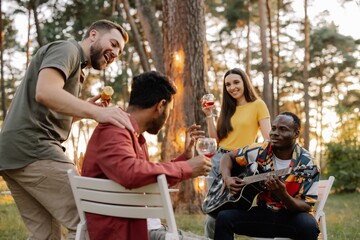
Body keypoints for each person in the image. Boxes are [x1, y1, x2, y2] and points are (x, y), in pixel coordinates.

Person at [0, 19, 133, 240]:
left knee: (46, 235)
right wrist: (98, 113)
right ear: (93, 35)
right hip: (35, 149)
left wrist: (84, 111)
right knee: (90, 220)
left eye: (119, 50)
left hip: (13, 154)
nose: (116, 52)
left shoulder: (77, 68)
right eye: (113, 43)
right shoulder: (68, 49)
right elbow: (45, 92)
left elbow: (48, 113)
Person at [81, 71, 212, 240]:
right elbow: (130, 173)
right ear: (160, 105)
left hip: (142, 227)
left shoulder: (134, 136)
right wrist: (186, 168)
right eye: (169, 111)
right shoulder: (114, 129)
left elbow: (146, 178)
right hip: (128, 232)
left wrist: (184, 159)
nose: (167, 117)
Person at [214, 112, 320, 240]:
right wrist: (227, 178)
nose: (275, 133)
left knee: (309, 225)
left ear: (296, 134)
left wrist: (282, 194)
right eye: (273, 128)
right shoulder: (260, 150)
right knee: (224, 218)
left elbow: (306, 206)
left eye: (283, 129)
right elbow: (227, 157)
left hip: (292, 218)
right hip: (263, 214)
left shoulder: (307, 164)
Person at [202, 68, 271, 238]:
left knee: (236, 208)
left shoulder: (258, 105)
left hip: (242, 162)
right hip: (219, 161)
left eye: (236, 82)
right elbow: (215, 140)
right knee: (213, 212)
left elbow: (268, 139)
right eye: (228, 84)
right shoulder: (227, 108)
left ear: (244, 82)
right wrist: (209, 116)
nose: (232, 87)